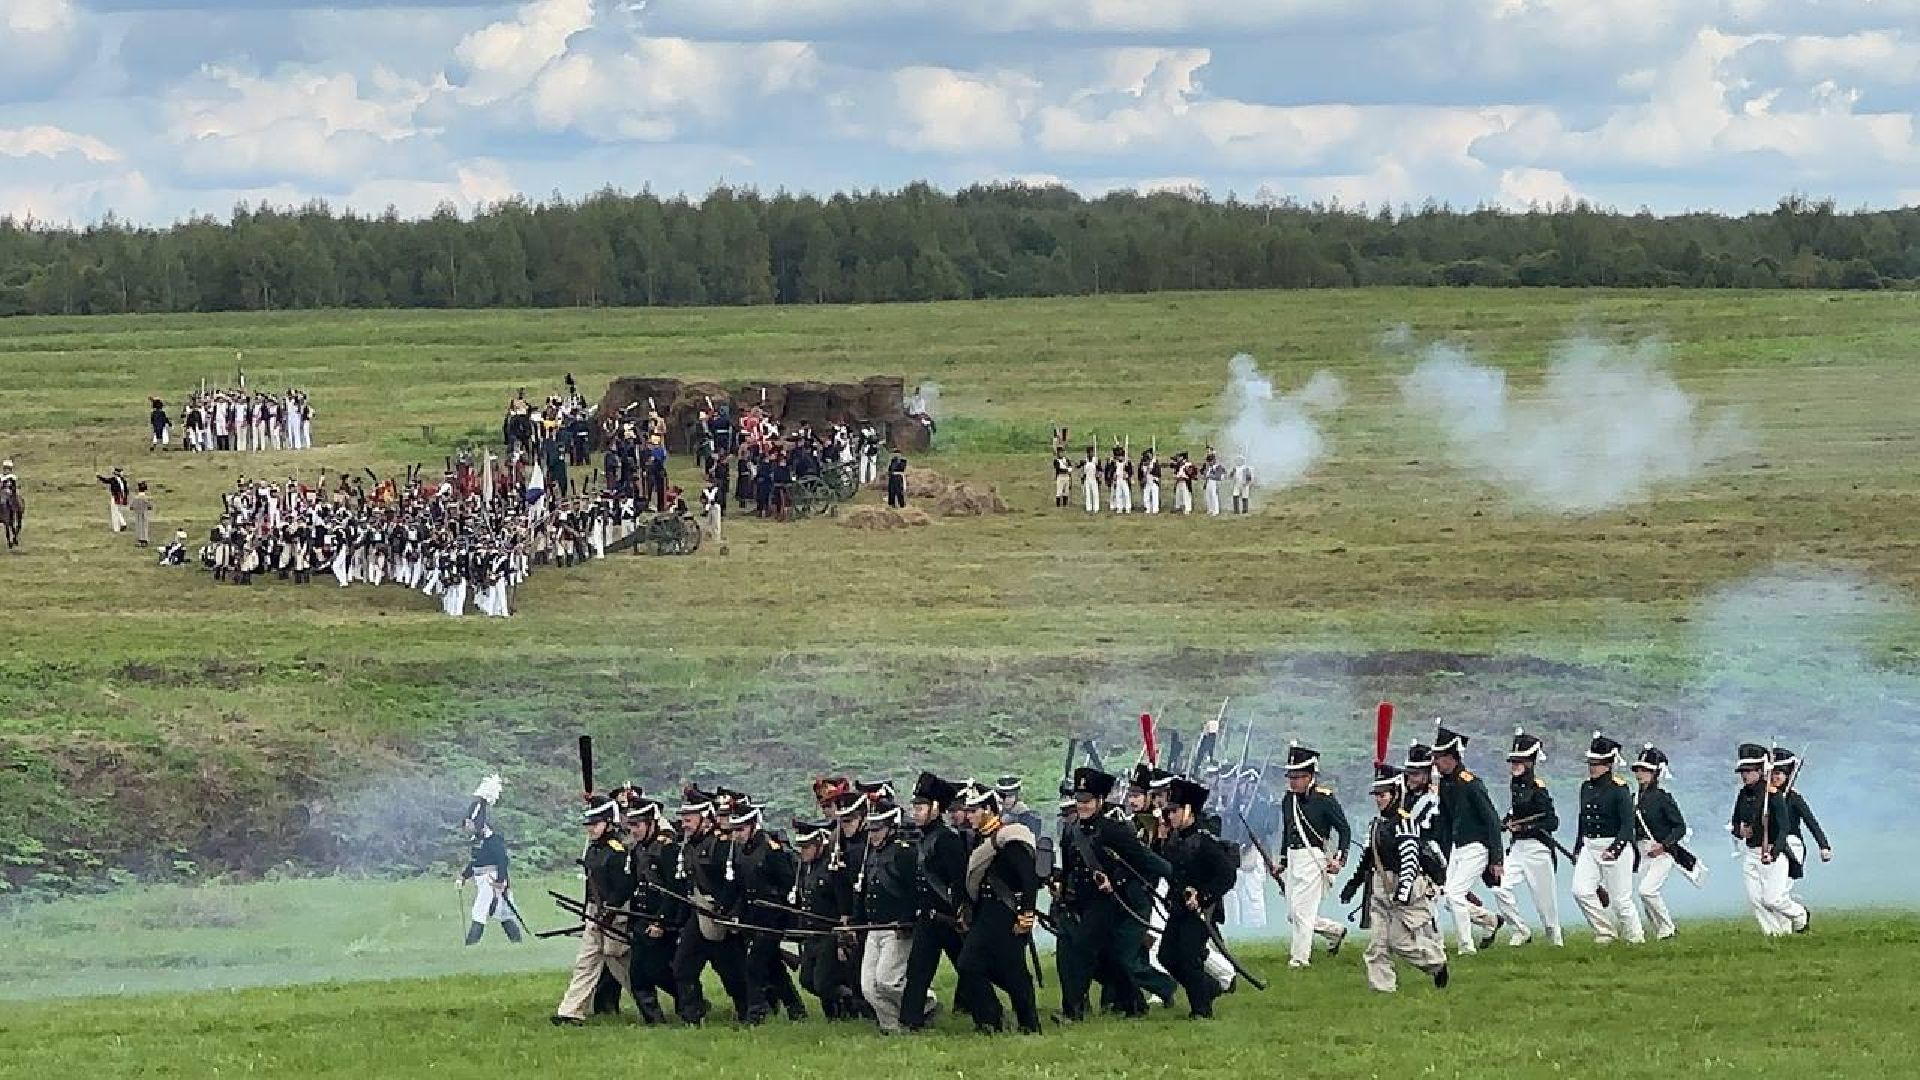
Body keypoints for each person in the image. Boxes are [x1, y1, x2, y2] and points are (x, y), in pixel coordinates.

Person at [1054, 766, 1171, 1022]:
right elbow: (1068, 867)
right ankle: (1135, 1003)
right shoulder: (1071, 831)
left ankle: (1072, 1012)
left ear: (1099, 801)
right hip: (1079, 901)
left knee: (1082, 950)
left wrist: (1174, 875)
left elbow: (1143, 859)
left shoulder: (1113, 829)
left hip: (1107, 902)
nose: (1082, 806)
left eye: (1087, 801)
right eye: (1079, 800)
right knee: (1107, 959)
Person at [1342, 764, 1450, 993]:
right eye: (1377, 795)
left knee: (1399, 941)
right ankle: (1383, 988)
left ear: (1395, 793)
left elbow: (1410, 861)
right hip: (1380, 887)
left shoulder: (1405, 822)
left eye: (1383, 794)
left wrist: (1402, 892)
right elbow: (1369, 858)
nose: (1378, 800)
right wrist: (1353, 884)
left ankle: (1435, 963)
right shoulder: (1377, 825)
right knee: (1377, 945)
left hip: (1404, 887)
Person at [954, 786, 1042, 1034]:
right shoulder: (978, 839)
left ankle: (1029, 1025)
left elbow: (1028, 878)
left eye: (973, 810)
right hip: (986, 913)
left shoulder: (1009, 838)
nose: (968, 815)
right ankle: (989, 1018)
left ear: (988, 810)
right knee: (969, 965)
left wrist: (1027, 913)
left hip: (1006, 914)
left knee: (1014, 973)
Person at [1156, 776, 1236, 1019]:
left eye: (1174, 811)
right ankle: (1208, 988)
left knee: (1189, 959)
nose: (1169, 816)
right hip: (1179, 907)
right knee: (1167, 956)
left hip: (1202, 910)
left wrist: (1202, 896)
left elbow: (1227, 875)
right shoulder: (1173, 838)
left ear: (1188, 810)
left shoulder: (1204, 841)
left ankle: (1201, 1010)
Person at [551, 795, 634, 1025]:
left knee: (618, 958)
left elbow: (624, 887)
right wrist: (590, 910)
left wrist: (608, 913)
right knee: (586, 961)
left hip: (615, 912)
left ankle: (648, 1002)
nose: (590, 829)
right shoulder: (594, 849)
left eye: (595, 824)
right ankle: (570, 1011)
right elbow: (592, 884)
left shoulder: (618, 850)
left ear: (608, 822)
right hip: (595, 909)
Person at [900, 772, 968, 1031]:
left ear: (936, 808)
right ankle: (910, 1021)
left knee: (967, 968)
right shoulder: (924, 837)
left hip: (948, 917)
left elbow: (958, 880)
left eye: (920, 807)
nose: (915, 812)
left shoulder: (946, 838)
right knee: (917, 972)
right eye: (914, 807)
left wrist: (961, 912)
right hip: (928, 917)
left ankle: (990, 1016)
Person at [1275, 743, 1351, 968]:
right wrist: (1283, 861)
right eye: (1291, 775)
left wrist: (1340, 859)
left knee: (1303, 912)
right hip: (1293, 857)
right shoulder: (1288, 800)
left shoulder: (1324, 799)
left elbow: (1344, 830)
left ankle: (1300, 959)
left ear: (1310, 776)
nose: (1292, 781)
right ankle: (1335, 932)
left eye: (1297, 776)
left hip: (1313, 857)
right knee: (1293, 913)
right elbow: (1287, 831)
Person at [1432, 724, 1504, 954]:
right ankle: (1489, 920)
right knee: (1447, 896)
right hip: (1458, 847)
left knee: (1455, 895)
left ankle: (1466, 947)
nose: (1435, 763)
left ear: (1451, 757)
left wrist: (1496, 858)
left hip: (1477, 846)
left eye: (1439, 758)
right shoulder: (1445, 783)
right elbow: (1445, 821)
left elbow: (1492, 820)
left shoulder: (1470, 783)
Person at [1492, 728, 1563, 947]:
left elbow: (1552, 822)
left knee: (1546, 905)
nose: (1514, 765)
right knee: (1500, 887)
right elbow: (1516, 812)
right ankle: (1521, 930)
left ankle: (1556, 942)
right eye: (1513, 761)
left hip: (1538, 849)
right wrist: (1506, 823)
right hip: (1518, 849)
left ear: (1530, 762)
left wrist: (1526, 827)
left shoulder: (1538, 788)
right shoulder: (1516, 785)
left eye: (1519, 761)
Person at [1571, 733, 1644, 945]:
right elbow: (1583, 818)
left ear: (1609, 764)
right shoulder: (1586, 787)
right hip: (1590, 845)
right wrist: (1578, 846)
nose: (1593, 767)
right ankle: (1605, 931)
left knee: (1621, 900)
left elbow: (1627, 824)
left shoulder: (1619, 789)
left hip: (1615, 845)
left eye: (1598, 763)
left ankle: (1635, 937)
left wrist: (1616, 848)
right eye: (1591, 763)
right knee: (1581, 891)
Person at [857, 797, 922, 1034]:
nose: (873, 834)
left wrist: (905, 919)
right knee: (868, 986)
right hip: (873, 927)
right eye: (871, 829)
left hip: (896, 928)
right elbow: (863, 891)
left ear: (890, 828)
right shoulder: (871, 854)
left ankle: (924, 1002)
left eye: (878, 829)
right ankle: (893, 1027)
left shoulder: (904, 853)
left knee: (886, 982)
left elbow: (914, 890)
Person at [1730, 745, 1806, 935]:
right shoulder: (1742, 795)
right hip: (1752, 852)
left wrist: (1774, 852)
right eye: (1743, 772)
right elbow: (1735, 823)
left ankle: (1799, 914)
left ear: (1759, 770)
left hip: (1772, 853)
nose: (1744, 776)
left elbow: (1783, 828)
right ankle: (1774, 935)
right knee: (1756, 900)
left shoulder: (1773, 795)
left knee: (1772, 899)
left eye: (1748, 771)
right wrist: (1740, 830)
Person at [625, 798, 684, 1025]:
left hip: (662, 918)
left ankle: (689, 1003)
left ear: (650, 823)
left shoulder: (666, 848)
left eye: (637, 825)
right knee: (638, 974)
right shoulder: (639, 849)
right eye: (631, 825)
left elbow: (673, 889)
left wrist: (661, 922)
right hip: (642, 916)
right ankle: (653, 1019)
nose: (633, 830)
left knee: (659, 970)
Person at [1631, 744, 1691, 941]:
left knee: (1647, 891)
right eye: (1639, 770)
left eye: (1646, 770)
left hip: (1661, 852)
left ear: (1656, 773)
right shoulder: (1632, 799)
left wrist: (1664, 845)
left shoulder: (1663, 798)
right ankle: (1660, 930)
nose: (1640, 774)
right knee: (1643, 894)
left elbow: (1680, 827)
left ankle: (1668, 928)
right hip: (1641, 852)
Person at [458, 774, 524, 945]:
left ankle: (470, 944)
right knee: (502, 913)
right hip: (483, 878)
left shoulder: (493, 839)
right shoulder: (477, 840)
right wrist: (464, 876)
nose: (467, 826)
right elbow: (475, 862)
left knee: (480, 911)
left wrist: (501, 880)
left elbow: (502, 860)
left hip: (491, 879)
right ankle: (517, 942)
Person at [1770, 747, 1830, 914]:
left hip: (1791, 844)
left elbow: (1812, 823)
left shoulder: (1794, 798)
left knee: (1781, 890)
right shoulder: (1766, 798)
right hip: (1771, 846)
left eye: (1779, 774)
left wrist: (1824, 846)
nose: (1775, 777)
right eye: (1772, 773)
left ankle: (1799, 916)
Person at [98, 467, 130, 532]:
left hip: (115, 497)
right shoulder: (123, 480)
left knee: (115, 512)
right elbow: (126, 490)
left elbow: (105, 480)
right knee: (117, 511)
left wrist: (99, 476)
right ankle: (122, 523)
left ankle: (118, 527)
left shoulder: (114, 480)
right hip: (122, 498)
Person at [129, 481, 154, 547]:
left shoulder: (136, 498)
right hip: (144, 514)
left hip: (137, 514)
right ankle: (145, 539)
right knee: (145, 526)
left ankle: (140, 539)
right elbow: (150, 507)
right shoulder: (146, 498)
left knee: (139, 526)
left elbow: (131, 507)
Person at [1080, 448, 1101, 513]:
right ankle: (1088, 508)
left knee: (1095, 494)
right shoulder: (1085, 461)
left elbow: (1100, 469)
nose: (1091, 454)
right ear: (1087, 453)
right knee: (1088, 494)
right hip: (1087, 479)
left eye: (1092, 452)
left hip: (1094, 479)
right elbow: (1081, 469)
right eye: (1090, 453)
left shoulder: (1095, 460)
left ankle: (1096, 508)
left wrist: (1097, 465)